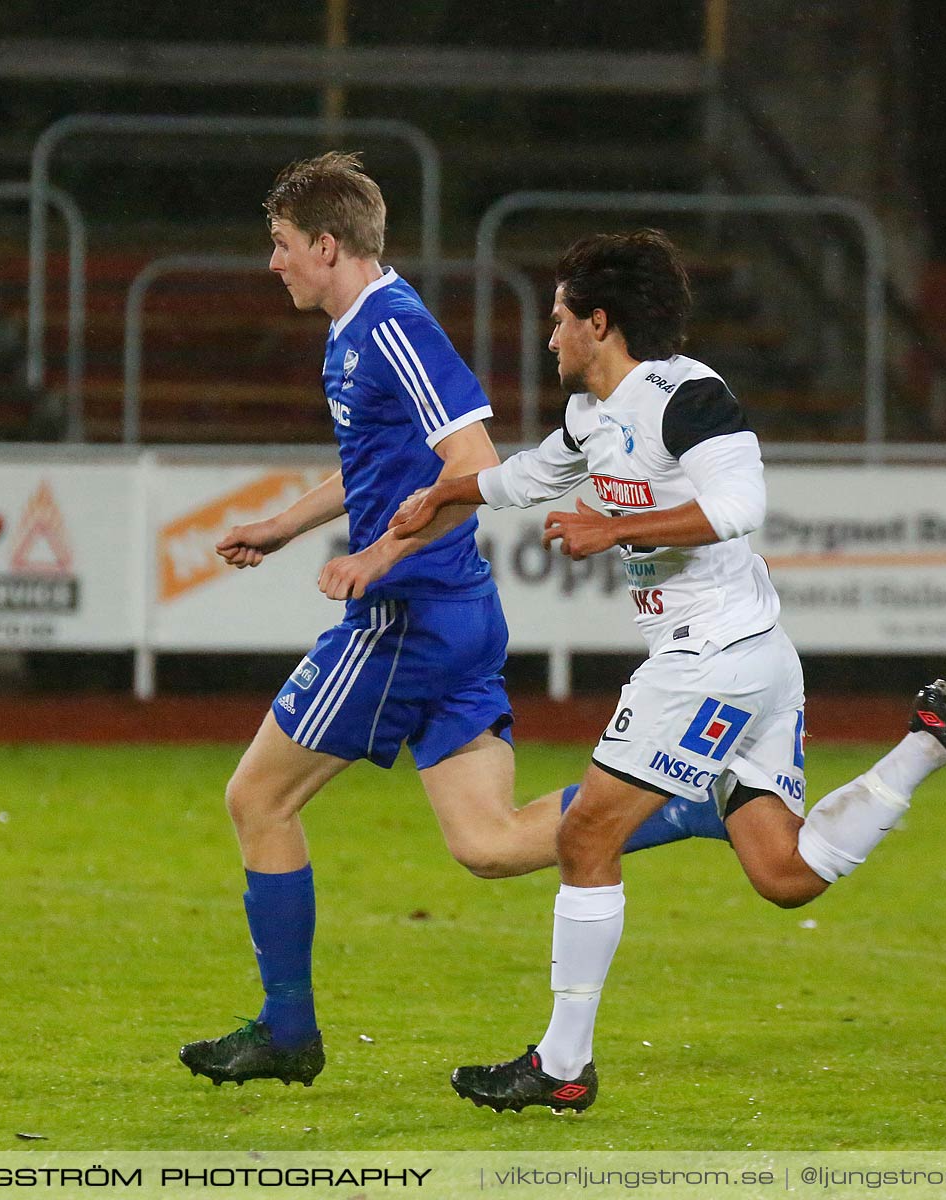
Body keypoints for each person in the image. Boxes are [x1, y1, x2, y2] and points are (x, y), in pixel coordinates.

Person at [391, 229, 946, 1113]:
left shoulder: (688, 395)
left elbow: (742, 506)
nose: (549, 338)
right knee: (784, 875)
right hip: (757, 663)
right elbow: (525, 477)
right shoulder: (593, 417)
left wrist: (613, 529)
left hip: (713, 662)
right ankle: (930, 744)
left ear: (600, 321)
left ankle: (561, 1065)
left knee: (588, 836)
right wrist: (443, 494)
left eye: (559, 320)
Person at [179, 157, 730, 1092]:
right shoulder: (356, 330)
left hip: (410, 619)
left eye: (280, 246)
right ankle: (688, 805)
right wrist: (280, 528)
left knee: (256, 801)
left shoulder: (395, 329)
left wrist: (376, 559)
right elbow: (382, 473)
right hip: (456, 614)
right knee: (487, 844)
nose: (272, 265)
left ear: (325, 245)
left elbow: (469, 465)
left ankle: (287, 1030)